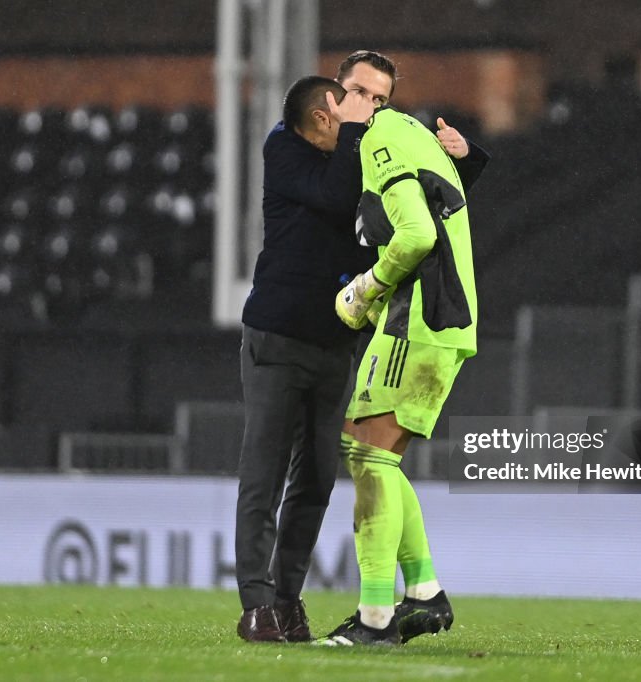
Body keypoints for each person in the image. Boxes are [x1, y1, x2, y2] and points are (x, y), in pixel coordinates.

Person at [235, 50, 488, 644]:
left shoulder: (365, 150)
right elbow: (336, 196)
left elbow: (413, 204)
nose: (370, 109)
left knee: (319, 477)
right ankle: (256, 603)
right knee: (264, 474)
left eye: (381, 100)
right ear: (330, 101)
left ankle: (290, 603)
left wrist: (464, 160)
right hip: (277, 331)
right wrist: (361, 133)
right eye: (358, 95)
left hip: (336, 340)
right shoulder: (286, 146)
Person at [318, 100, 482, 646]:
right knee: (377, 455)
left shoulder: (380, 137)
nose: (357, 103)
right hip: (439, 322)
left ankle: (374, 619)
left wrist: (368, 286)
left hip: (419, 319)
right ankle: (423, 595)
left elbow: (416, 235)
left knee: (367, 453)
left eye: (369, 93)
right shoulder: (405, 137)